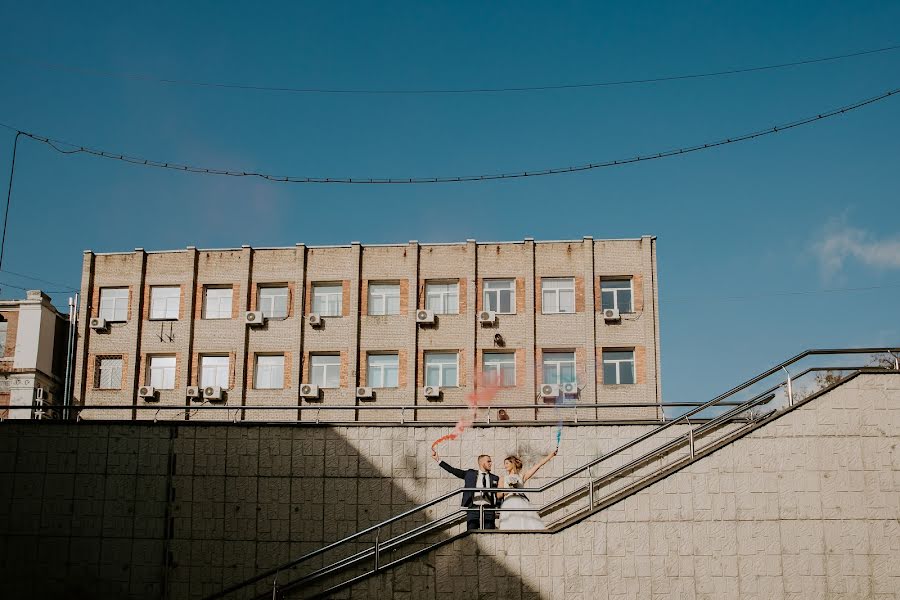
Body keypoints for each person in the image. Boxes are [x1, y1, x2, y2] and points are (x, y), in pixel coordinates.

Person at [432, 448, 499, 530]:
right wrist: (438, 460)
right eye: (488, 461)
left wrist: (498, 508)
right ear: (481, 462)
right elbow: (453, 470)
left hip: (489, 511)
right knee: (471, 535)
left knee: (489, 535)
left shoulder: (494, 478)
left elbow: (498, 494)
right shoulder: (470, 474)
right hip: (473, 509)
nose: (491, 463)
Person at [497, 449, 557, 530]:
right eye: (505, 464)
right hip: (508, 503)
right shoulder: (503, 478)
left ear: (513, 463)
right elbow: (498, 495)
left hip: (521, 503)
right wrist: (510, 490)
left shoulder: (522, 476)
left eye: (507, 463)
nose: (505, 466)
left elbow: (538, 465)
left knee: (525, 524)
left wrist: (551, 455)